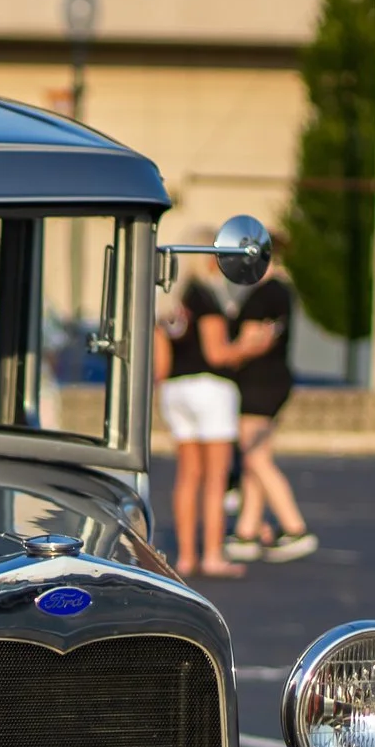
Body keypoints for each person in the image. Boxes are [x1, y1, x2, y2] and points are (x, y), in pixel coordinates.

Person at [160, 238, 277, 579]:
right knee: (215, 478)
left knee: (188, 475)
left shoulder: (174, 302)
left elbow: (161, 362)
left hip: (176, 390)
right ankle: (211, 554)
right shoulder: (207, 300)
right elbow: (217, 354)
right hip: (210, 389)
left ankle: (184, 556)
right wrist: (252, 347)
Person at [221, 242, 317, 564]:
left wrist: (219, 358)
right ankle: (247, 532)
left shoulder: (265, 294)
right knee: (256, 456)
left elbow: (252, 341)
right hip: (270, 382)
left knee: (254, 456)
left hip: (259, 384)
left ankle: (295, 528)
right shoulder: (280, 292)